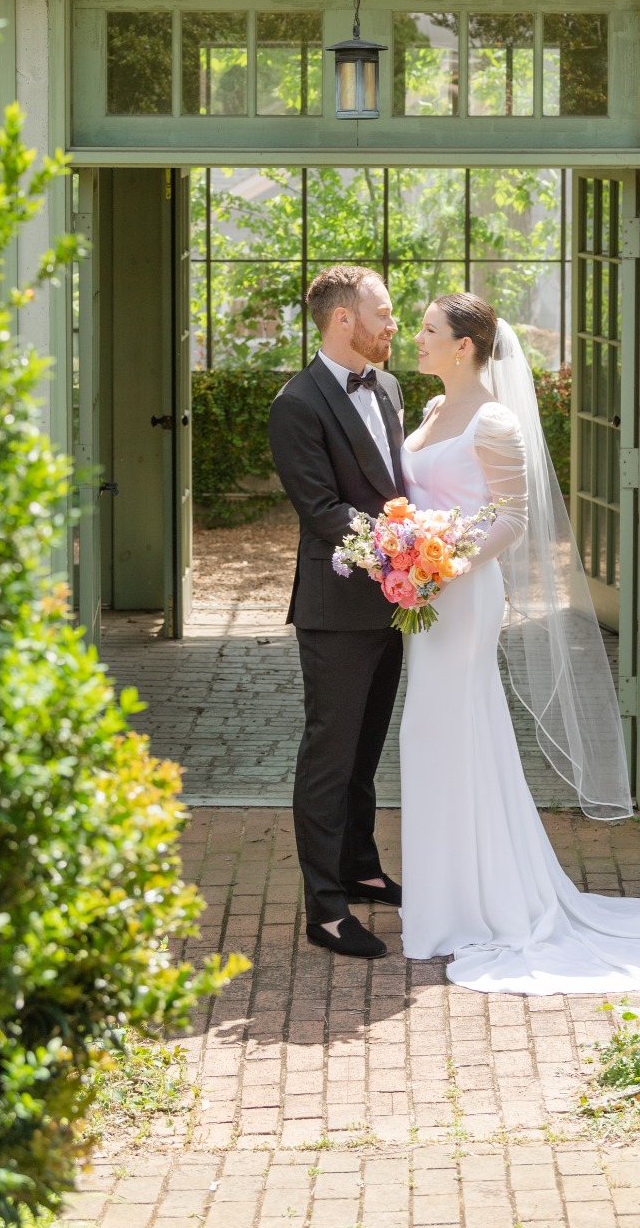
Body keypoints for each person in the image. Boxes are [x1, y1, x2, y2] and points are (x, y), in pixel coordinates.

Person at [398, 293, 640, 994]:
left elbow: (511, 519)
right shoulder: (431, 413)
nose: (417, 339)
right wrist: (405, 555)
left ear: (467, 346)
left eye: (429, 331)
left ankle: (486, 903)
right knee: (429, 737)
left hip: (464, 595)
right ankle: (445, 903)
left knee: (456, 730)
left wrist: (445, 562)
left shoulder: (495, 420)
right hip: (426, 595)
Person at [268, 266, 406, 960]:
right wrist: (405, 546)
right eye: (383, 312)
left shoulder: (389, 387)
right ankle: (324, 909)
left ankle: (360, 868)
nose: (393, 324)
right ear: (343, 319)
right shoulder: (296, 403)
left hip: (392, 602)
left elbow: (395, 487)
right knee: (329, 755)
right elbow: (323, 513)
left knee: (365, 751)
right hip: (336, 608)